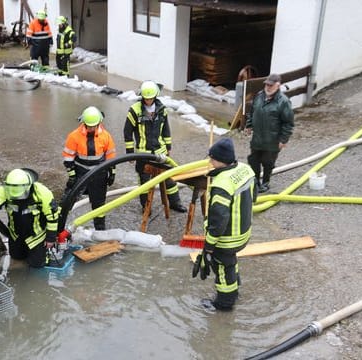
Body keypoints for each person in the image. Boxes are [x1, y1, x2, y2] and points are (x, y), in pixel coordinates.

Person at [192, 138, 257, 311]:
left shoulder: (222, 184)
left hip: (227, 239)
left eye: (211, 158)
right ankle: (234, 290)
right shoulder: (246, 170)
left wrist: (210, 245)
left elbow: (218, 220)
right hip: (243, 232)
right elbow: (254, 197)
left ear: (220, 160)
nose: (209, 161)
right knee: (230, 263)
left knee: (221, 266)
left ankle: (224, 303)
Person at [123, 80, 187, 213]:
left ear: (155, 96)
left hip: (160, 152)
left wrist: (168, 146)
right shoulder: (135, 110)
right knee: (145, 183)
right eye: (146, 98)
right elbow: (127, 132)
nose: (148, 101)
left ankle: (175, 203)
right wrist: (130, 152)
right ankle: (146, 206)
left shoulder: (161, 109)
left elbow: (166, 129)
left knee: (169, 179)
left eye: (150, 98)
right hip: (143, 154)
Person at [0, 168, 60, 268]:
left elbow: (53, 217)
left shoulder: (43, 193)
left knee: (37, 265)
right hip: (15, 234)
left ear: (28, 187)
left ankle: (43, 256)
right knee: (17, 258)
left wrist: (50, 238)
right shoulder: (6, 190)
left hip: (36, 237)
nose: (18, 198)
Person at [62, 106, 116, 230]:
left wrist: (112, 172)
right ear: (84, 123)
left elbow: (111, 156)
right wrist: (71, 175)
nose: (91, 128)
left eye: (94, 126)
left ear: (99, 123)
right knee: (68, 199)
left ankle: (100, 228)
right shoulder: (74, 136)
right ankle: (58, 225)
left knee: (99, 203)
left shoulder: (106, 136)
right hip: (80, 172)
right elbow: (68, 157)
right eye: (89, 126)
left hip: (99, 173)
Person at [245, 73, 294, 193]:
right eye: (266, 84)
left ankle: (266, 182)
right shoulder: (259, 96)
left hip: (272, 139)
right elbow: (252, 112)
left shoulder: (283, 102)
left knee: (268, 162)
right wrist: (249, 125)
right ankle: (256, 181)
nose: (267, 87)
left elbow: (288, 123)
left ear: (278, 85)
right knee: (253, 160)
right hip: (257, 138)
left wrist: (284, 139)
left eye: (271, 85)